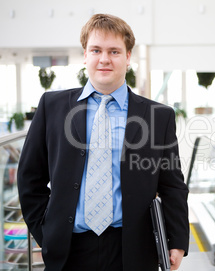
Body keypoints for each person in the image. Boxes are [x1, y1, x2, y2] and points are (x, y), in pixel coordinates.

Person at [17, 14, 189, 271]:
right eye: (96, 50)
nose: (104, 59)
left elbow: (172, 185)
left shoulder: (158, 116)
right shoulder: (52, 107)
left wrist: (176, 241)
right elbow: (30, 178)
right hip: (68, 249)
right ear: (85, 55)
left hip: (133, 249)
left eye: (114, 51)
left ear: (128, 57)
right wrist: (47, 232)